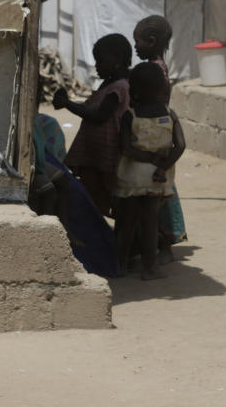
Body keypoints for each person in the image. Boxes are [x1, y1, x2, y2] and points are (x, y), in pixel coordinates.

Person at [114, 62, 186, 280]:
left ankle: (120, 265)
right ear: (162, 89)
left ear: (133, 90)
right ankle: (150, 268)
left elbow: (126, 148)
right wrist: (161, 165)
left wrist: (147, 157)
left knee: (127, 222)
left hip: (132, 175)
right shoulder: (169, 114)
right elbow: (180, 146)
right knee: (150, 222)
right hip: (158, 177)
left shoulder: (130, 115)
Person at [54, 34, 132, 217]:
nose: (96, 65)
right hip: (96, 154)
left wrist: (67, 104)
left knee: (103, 198)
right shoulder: (109, 83)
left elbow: (98, 116)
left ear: (118, 59)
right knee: (97, 198)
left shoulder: (118, 87)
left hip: (105, 155)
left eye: (100, 60)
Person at [133, 14, 188, 263]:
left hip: (152, 133)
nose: (135, 47)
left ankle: (163, 242)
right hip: (159, 132)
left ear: (151, 41)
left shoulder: (152, 71)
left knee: (155, 199)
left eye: (138, 42)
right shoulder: (161, 67)